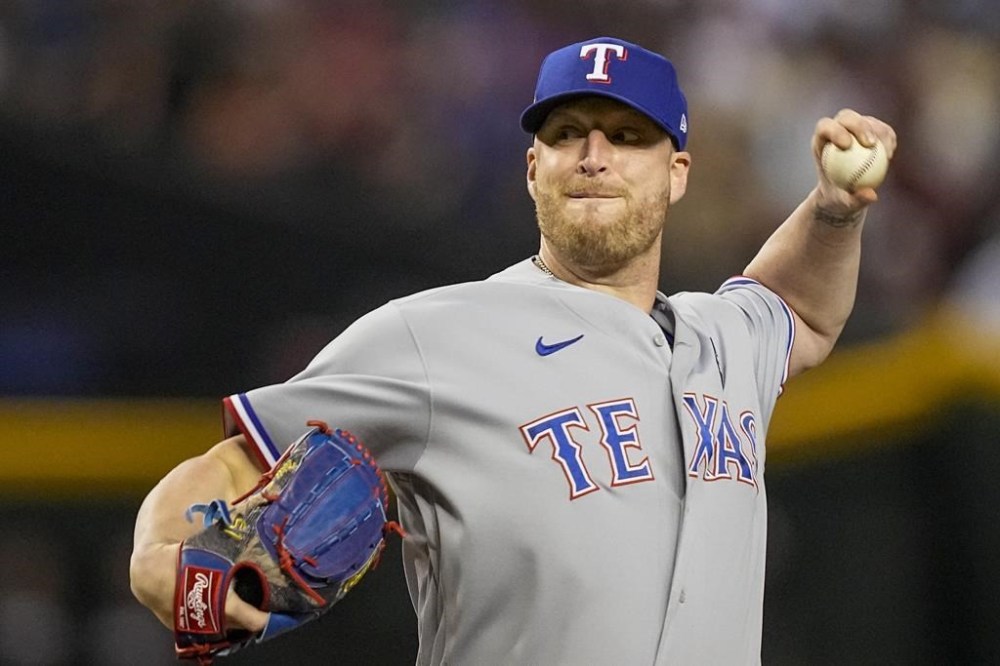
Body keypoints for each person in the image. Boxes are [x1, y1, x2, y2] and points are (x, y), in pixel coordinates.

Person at [130, 36, 896, 664]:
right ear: (534, 171)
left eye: (627, 137)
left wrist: (833, 212)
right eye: (567, 135)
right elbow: (239, 457)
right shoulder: (435, 334)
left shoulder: (723, 339)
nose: (594, 155)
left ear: (677, 173)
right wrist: (163, 554)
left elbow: (797, 306)